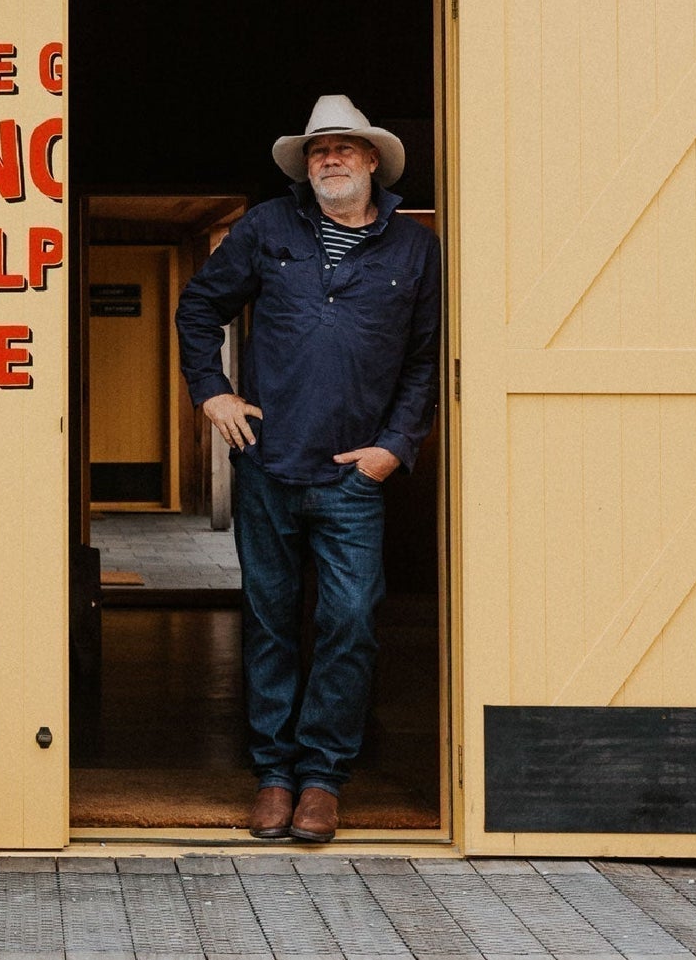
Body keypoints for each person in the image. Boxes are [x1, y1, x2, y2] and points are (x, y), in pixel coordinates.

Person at [174, 95, 441, 843]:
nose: (329, 158)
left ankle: (322, 776)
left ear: (372, 162)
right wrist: (213, 389)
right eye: (318, 148)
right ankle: (273, 775)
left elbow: (424, 362)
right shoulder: (266, 227)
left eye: (344, 148)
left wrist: (395, 446)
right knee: (268, 624)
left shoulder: (416, 250)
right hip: (266, 466)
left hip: (356, 478)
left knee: (349, 620)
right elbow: (199, 307)